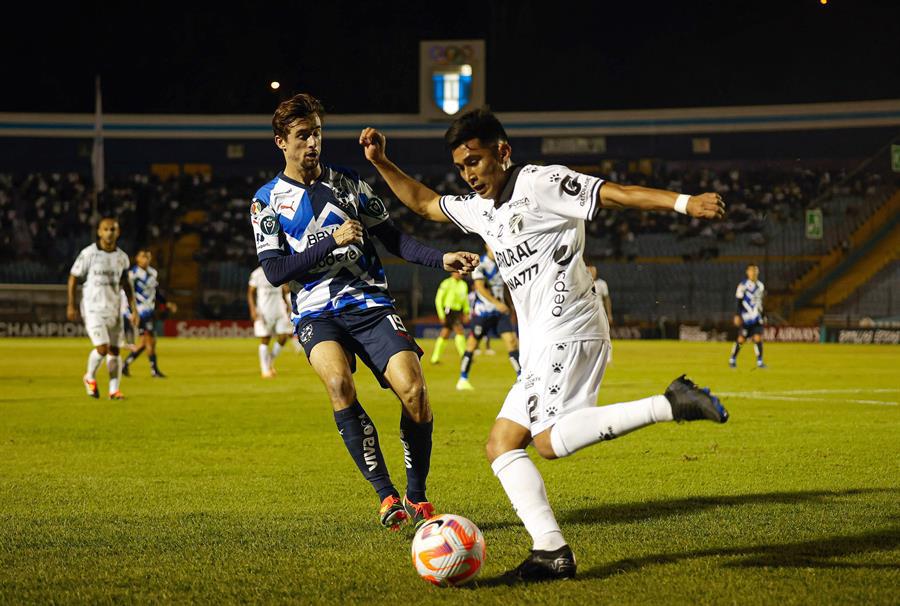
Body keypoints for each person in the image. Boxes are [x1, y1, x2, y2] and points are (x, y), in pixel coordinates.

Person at [359, 108, 730, 581]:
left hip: (571, 327)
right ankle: (551, 552)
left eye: (476, 160)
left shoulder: (540, 183)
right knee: (501, 445)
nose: (469, 174)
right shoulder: (481, 209)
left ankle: (670, 403)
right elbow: (426, 204)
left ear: (503, 153)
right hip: (539, 344)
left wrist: (684, 203)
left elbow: (614, 194)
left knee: (550, 443)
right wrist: (383, 163)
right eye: (461, 167)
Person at [249, 93, 479, 530]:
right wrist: (329, 241)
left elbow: (394, 239)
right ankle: (385, 495)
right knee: (338, 383)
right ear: (281, 141)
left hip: (369, 302)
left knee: (415, 391)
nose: (312, 142)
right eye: (302, 136)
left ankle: (416, 497)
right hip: (317, 311)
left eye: (316, 132)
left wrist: (441, 259)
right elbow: (275, 270)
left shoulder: (349, 183)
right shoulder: (266, 200)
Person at [67, 217, 139, 400]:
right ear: (99, 232)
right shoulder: (89, 254)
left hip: (114, 308)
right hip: (93, 308)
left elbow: (126, 284)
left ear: (118, 232)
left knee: (115, 350)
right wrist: (71, 304)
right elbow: (73, 278)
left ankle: (114, 390)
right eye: (106, 229)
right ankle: (89, 377)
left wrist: (134, 309)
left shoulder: (122, 257)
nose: (109, 233)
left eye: (113, 229)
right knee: (102, 347)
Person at [457, 244, 520, 391]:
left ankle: (521, 377)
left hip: (500, 313)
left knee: (512, 341)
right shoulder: (481, 265)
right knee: (472, 346)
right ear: (486, 246)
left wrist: (509, 305)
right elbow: (480, 287)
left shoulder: (502, 263)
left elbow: (504, 287)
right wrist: (497, 303)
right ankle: (463, 379)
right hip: (483, 313)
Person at [122, 248, 177, 378]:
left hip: (150, 311)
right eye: (143, 256)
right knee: (150, 340)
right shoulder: (132, 274)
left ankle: (125, 365)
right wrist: (131, 311)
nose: (146, 259)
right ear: (137, 259)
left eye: (148, 257)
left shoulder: (153, 273)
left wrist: (166, 303)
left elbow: (156, 292)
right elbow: (127, 293)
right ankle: (154, 370)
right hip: (139, 312)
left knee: (146, 342)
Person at [248, 266, 293, 378]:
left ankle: (269, 360)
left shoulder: (278, 270)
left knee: (283, 337)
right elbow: (250, 293)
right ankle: (265, 370)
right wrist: (253, 309)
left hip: (279, 310)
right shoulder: (257, 273)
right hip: (264, 311)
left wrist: (287, 305)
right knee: (265, 339)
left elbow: (283, 289)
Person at [729, 263, 766, 369]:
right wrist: (737, 315)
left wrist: (763, 314)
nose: (753, 273)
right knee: (741, 339)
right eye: (751, 271)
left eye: (755, 271)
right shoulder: (743, 285)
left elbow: (761, 302)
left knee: (758, 338)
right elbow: (738, 301)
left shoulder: (760, 286)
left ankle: (759, 362)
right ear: (747, 272)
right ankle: (732, 359)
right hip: (746, 317)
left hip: (757, 317)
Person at [431, 271, 469, 364]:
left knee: (445, 333)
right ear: (452, 272)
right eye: (456, 271)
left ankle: (435, 358)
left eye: (460, 272)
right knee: (459, 331)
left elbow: (465, 300)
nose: (459, 274)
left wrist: (466, 312)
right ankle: (465, 357)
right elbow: (438, 300)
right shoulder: (446, 283)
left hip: (457, 311)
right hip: (448, 311)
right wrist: (441, 315)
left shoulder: (464, 285)